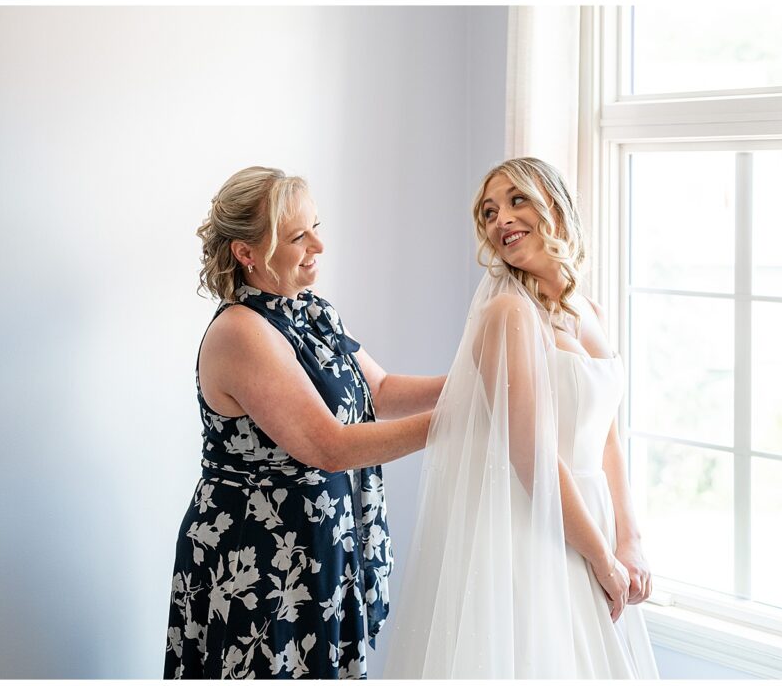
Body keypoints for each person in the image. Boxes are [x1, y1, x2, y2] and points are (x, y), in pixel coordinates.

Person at [163, 166, 444, 679]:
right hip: (260, 561)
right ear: (247, 254)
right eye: (298, 235)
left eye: (317, 225)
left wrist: (477, 386)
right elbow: (329, 446)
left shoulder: (311, 311)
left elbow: (380, 391)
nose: (318, 243)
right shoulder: (241, 332)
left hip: (316, 546)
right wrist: (459, 426)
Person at [383, 157, 658, 678]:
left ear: (552, 203)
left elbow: (608, 440)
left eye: (516, 200)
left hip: (591, 517)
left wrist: (630, 538)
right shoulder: (508, 314)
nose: (500, 219)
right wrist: (601, 557)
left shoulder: (591, 312)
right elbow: (532, 456)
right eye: (489, 212)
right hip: (534, 525)